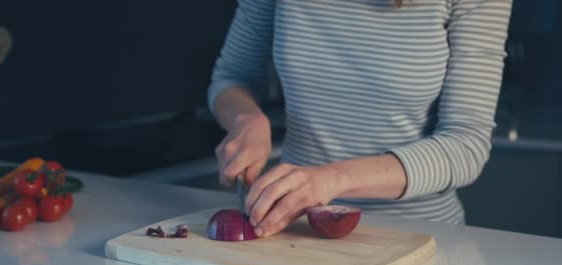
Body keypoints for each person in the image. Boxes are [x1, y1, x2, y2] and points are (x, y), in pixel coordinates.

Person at [208, 0, 512, 238]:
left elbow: (466, 144)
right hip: (297, 233)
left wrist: (332, 179)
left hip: (421, 238)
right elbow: (231, 78)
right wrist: (246, 119)